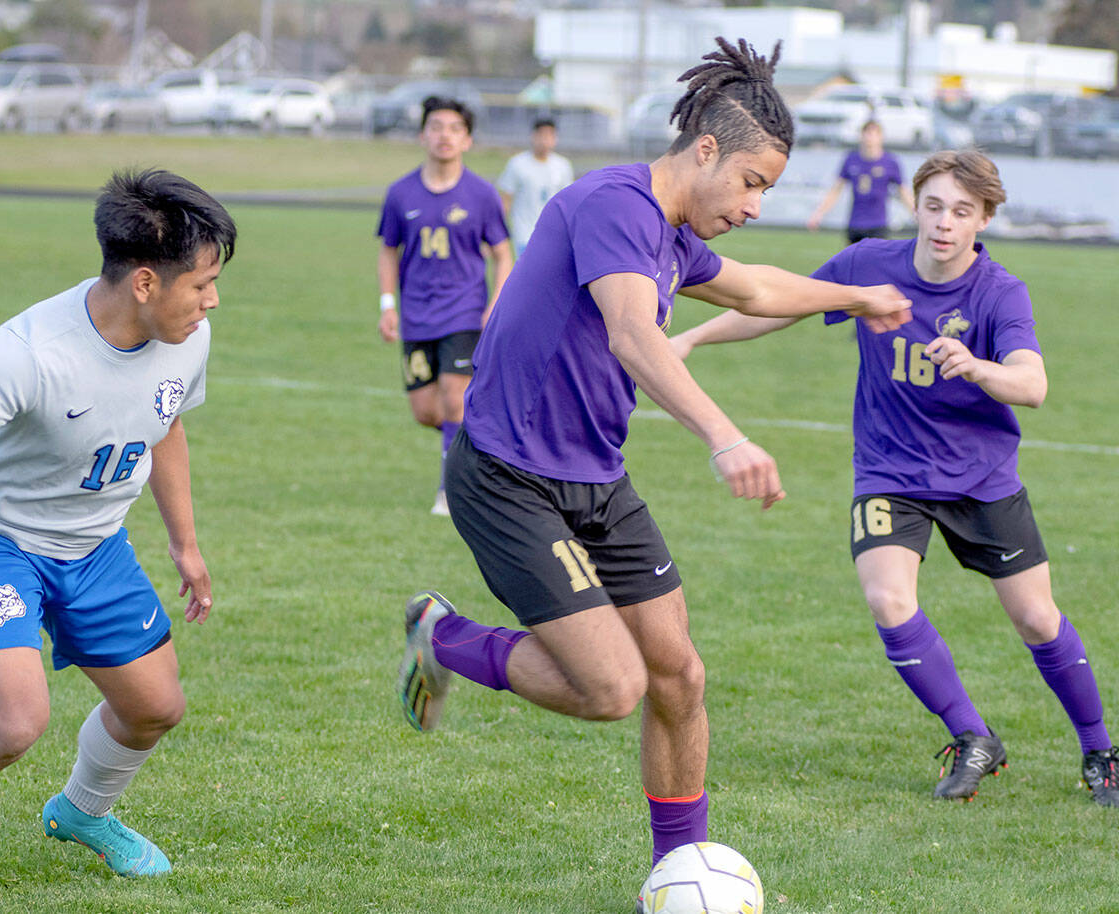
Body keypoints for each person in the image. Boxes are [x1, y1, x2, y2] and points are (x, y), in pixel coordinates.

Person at [394, 37, 911, 879]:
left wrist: (852, 295)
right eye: (751, 182)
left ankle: (678, 874)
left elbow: (753, 287)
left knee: (680, 675)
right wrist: (726, 435)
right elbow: (635, 333)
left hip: (596, 479)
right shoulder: (616, 205)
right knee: (611, 690)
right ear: (705, 149)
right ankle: (442, 637)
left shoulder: (672, 233)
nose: (752, 205)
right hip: (507, 478)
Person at [671, 149, 1119, 807]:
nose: (945, 223)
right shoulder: (869, 266)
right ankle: (972, 737)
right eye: (935, 205)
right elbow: (781, 305)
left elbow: (1031, 385)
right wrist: (693, 340)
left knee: (1036, 617)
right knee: (888, 599)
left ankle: (1099, 751)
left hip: (982, 480)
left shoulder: (999, 293)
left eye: (963, 212)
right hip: (891, 473)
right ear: (915, 205)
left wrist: (978, 367)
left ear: (984, 220)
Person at [0, 168, 237, 911]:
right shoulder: (28, 351)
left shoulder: (189, 338)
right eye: (202, 283)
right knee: (13, 723)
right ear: (145, 283)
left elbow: (167, 423)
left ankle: (82, 812)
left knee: (155, 708)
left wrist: (185, 543)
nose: (213, 300)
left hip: (95, 544)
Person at [376, 95, 513, 517]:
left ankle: (450, 491)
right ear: (423, 135)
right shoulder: (400, 194)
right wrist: (387, 304)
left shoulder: (482, 195)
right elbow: (387, 251)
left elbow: (503, 253)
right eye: (436, 127)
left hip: (465, 312)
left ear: (467, 140)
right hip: (417, 316)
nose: (444, 136)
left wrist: (496, 302)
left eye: (454, 128)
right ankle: (485, 445)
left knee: (455, 401)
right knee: (426, 411)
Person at [806, 120, 914, 245]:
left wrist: (916, 214)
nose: (870, 138)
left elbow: (903, 192)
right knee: (853, 262)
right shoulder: (851, 159)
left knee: (876, 263)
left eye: (874, 134)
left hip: (878, 225)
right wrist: (819, 213)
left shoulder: (890, 162)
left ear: (881, 137)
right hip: (855, 224)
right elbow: (836, 190)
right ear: (861, 136)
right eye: (867, 133)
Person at [496, 117, 574, 253]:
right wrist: (499, 231)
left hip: (554, 236)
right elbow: (506, 200)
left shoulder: (562, 166)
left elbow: (568, 202)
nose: (545, 140)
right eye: (542, 135)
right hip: (525, 235)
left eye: (550, 135)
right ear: (533, 136)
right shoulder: (517, 164)